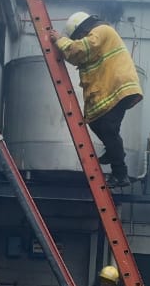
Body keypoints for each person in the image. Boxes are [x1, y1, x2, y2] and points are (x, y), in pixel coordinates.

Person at [49, 12, 143, 189]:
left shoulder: (102, 31)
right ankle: (114, 151)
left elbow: (80, 49)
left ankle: (120, 173)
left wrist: (60, 40)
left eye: (78, 36)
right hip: (110, 89)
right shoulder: (98, 34)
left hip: (117, 87)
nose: (79, 39)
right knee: (96, 124)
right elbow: (77, 56)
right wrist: (63, 46)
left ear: (82, 29)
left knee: (108, 127)